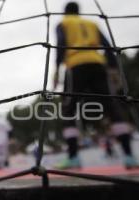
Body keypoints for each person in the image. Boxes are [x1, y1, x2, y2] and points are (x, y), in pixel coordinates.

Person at [53, 2, 138, 169]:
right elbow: (107, 46)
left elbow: (60, 45)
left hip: (75, 64)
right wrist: (113, 69)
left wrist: (56, 69)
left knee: (69, 109)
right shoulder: (92, 23)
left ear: (65, 12)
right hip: (97, 63)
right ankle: (129, 156)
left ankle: (73, 158)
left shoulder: (63, 23)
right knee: (112, 106)